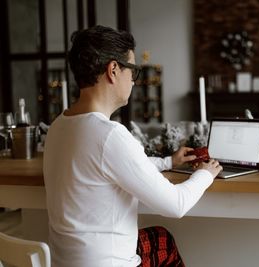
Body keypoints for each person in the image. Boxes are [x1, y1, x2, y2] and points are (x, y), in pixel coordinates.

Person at [43, 25, 222, 267]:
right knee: (163, 241)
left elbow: (103, 164)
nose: (135, 81)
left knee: (160, 238)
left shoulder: (58, 127)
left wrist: (169, 162)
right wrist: (205, 173)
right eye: (133, 71)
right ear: (113, 70)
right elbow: (176, 204)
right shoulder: (109, 135)